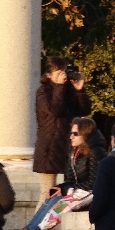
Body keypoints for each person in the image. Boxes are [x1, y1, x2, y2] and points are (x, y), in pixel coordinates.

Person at [25, 117, 105, 230]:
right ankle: (29, 228)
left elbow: (94, 182)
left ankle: (35, 229)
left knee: (60, 202)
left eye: (75, 134)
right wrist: (60, 187)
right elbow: (71, 180)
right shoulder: (74, 153)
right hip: (77, 193)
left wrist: (65, 189)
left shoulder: (95, 152)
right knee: (51, 196)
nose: (71, 137)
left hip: (91, 196)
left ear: (85, 134)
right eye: (71, 133)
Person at [33, 57, 91, 201]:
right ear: (48, 75)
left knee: (66, 194)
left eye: (64, 71)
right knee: (47, 195)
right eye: (58, 72)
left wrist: (80, 90)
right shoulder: (43, 92)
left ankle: (57, 224)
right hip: (49, 148)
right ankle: (37, 224)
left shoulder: (68, 90)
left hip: (67, 146)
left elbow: (84, 110)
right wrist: (59, 87)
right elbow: (55, 110)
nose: (63, 75)